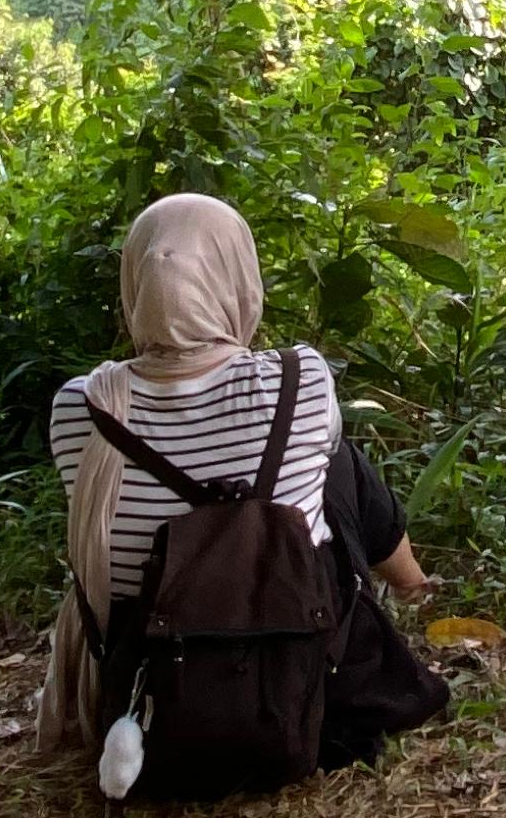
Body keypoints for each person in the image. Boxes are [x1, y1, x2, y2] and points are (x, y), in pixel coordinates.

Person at [37, 193, 448, 785]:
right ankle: (414, 584)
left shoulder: (81, 407)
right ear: (237, 276)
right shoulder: (300, 379)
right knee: (341, 465)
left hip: (149, 691)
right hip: (297, 681)